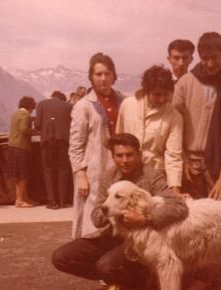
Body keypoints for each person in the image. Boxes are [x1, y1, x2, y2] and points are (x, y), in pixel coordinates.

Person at [52, 133, 188, 290]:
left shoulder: (152, 176)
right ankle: (121, 279)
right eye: (119, 156)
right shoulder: (108, 177)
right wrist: (108, 210)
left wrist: (145, 219)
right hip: (112, 235)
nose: (124, 160)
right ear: (113, 157)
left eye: (129, 155)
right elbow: (97, 217)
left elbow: (179, 206)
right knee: (61, 257)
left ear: (139, 154)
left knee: (106, 265)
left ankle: (139, 280)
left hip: (140, 240)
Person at [172, 31, 221, 199]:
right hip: (190, 169)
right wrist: (182, 161)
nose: (210, 64)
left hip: (220, 167)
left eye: (215, 58)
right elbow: (175, 127)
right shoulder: (185, 83)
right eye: (204, 58)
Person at [69, 52, 126, 238]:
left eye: (107, 73)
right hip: (94, 171)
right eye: (98, 74)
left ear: (114, 76)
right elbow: (76, 145)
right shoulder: (83, 106)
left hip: (119, 167)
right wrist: (81, 173)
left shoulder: (122, 101)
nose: (103, 78)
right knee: (92, 219)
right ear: (91, 77)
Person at [116, 65, 183, 194]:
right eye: (157, 94)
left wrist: (175, 187)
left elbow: (173, 155)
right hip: (127, 175)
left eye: (166, 94)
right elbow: (118, 141)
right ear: (146, 90)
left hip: (156, 177)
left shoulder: (174, 116)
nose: (162, 99)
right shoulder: (128, 105)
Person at [35, 91, 72, 209]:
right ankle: (62, 201)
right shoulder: (69, 106)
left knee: (48, 171)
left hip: (47, 141)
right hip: (64, 142)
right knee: (63, 170)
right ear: (62, 99)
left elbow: (37, 124)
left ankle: (52, 202)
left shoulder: (41, 104)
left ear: (52, 96)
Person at [5, 96, 37, 208]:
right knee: (23, 175)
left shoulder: (15, 114)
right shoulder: (26, 115)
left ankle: (24, 197)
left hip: (13, 146)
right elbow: (24, 129)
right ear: (30, 106)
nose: (33, 109)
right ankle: (19, 200)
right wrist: (34, 131)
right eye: (33, 107)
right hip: (22, 147)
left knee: (19, 175)